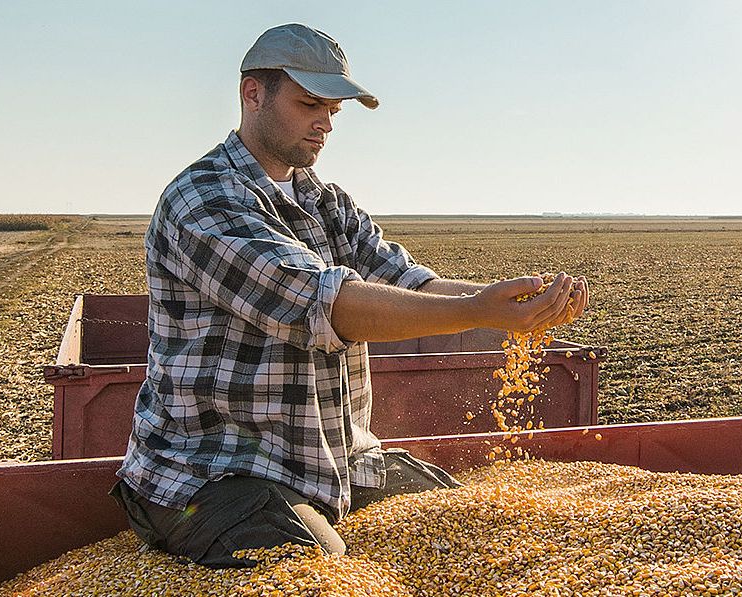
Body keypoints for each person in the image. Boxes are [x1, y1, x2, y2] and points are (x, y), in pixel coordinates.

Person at [110, 23, 589, 566]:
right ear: (253, 94)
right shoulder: (203, 199)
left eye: (334, 110)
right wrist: (477, 310)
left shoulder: (327, 204)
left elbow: (413, 284)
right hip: (214, 472)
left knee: (463, 525)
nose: (325, 123)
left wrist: (517, 303)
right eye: (310, 103)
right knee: (311, 565)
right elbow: (326, 304)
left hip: (332, 459)